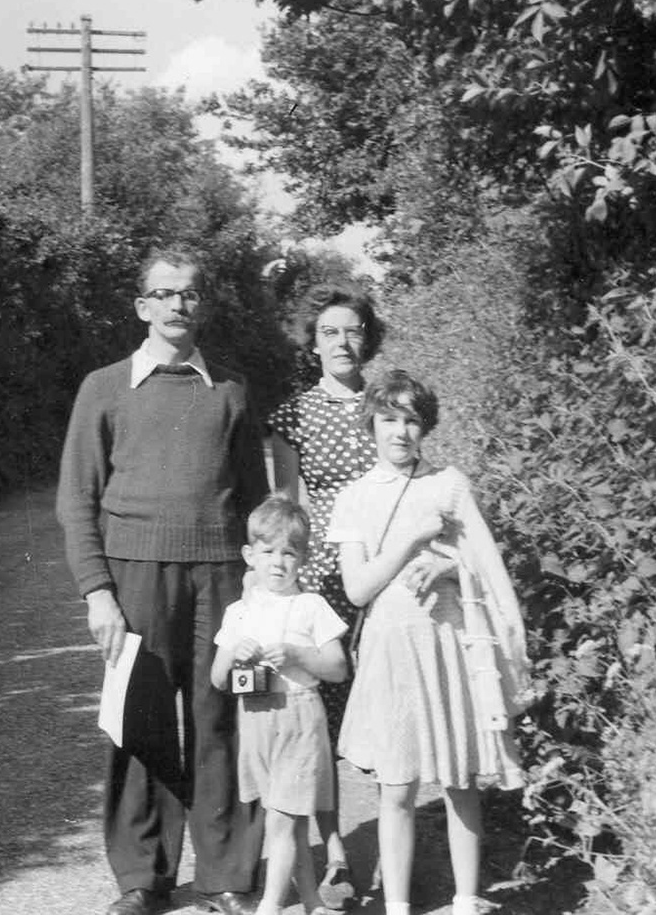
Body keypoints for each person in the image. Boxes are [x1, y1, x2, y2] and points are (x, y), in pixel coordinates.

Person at [56, 249, 268, 915]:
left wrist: (260, 590)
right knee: (138, 723)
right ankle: (142, 879)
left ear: (204, 305)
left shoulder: (231, 390)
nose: (179, 304)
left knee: (223, 716)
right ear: (143, 306)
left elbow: (256, 501)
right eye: (166, 293)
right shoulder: (104, 388)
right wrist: (97, 592)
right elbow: (76, 499)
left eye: (191, 293)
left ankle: (227, 875)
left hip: (222, 576)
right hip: (135, 577)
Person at [327, 370, 530, 915]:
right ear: (371, 423)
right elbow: (357, 588)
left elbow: (488, 568)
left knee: (459, 776)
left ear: (426, 426)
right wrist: (411, 539)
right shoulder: (353, 498)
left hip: (448, 645)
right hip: (392, 650)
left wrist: (449, 566)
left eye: (411, 420)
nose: (400, 432)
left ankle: (466, 898)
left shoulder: (449, 485)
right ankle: (397, 905)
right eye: (389, 419)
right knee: (396, 786)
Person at [264, 285, 381, 908]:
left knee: (386, 703)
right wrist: (275, 586)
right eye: (330, 332)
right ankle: (336, 855)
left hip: (384, 569)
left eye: (353, 330)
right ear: (313, 343)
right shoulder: (293, 414)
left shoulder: (387, 404)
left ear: (368, 337)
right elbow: (286, 506)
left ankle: (395, 843)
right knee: (322, 718)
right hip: (325, 577)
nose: (342, 342)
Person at [211, 495, 349, 915]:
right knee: (288, 817)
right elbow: (218, 679)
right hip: (256, 719)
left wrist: (297, 653)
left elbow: (338, 668)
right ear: (249, 556)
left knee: (283, 820)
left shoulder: (311, 606)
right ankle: (311, 901)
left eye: (289, 553)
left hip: (298, 718)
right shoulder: (238, 612)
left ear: (302, 558)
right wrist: (236, 653)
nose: (278, 562)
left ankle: (269, 906)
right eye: (268, 551)